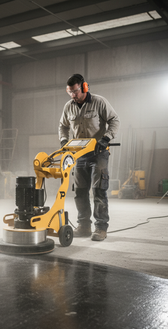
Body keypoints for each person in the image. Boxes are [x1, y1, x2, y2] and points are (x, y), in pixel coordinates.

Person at [59, 74, 120, 241]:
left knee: (99, 190)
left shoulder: (99, 102)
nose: (73, 95)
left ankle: (101, 228)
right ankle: (84, 226)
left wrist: (106, 138)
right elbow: (62, 126)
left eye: (76, 91)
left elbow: (114, 120)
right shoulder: (68, 107)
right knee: (80, 192)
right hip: (79, 154)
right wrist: (64, 142)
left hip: (99, 153)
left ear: (84, 87)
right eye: (70, 92)